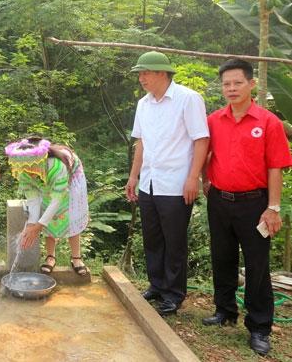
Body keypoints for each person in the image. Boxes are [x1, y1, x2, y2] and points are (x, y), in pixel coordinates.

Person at [201, 59, 292, 356]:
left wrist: (273, 208)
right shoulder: (214, 119)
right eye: (226, 84)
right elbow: (205, 153)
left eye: (237, 82)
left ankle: (260, 326)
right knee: (222, 257)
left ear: (251, 84)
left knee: (257, 265)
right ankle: (224, 310)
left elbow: (276, 167)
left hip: (255, 203)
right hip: (219, 201)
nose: (231, 88)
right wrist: (204, 180)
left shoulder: (268, 122)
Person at [124, 51, 209, 316]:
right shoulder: (143, 104)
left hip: (176, 183)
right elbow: (141, 143)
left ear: (162, 73)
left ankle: (174, 294)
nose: (141, 78)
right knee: (152, 238)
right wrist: (133, 176)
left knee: (174, 241)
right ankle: (157, 285)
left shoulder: (188, 99)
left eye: (145, 72)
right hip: (149, 181)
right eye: (140, 73)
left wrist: (192, 177)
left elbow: (201, 140)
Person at [6, 137, 90, 275]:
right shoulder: (24, 171)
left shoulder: (57, 166)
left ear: (40, 160)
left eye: (30, 165)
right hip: (47, 182)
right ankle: (50, 256)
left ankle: (76, 257)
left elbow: (56, 201)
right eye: (24, 167)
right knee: (45, 210)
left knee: (71, 215)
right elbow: (33, 200)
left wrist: (39, 226)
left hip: (72, 177)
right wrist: (32, 224)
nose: (27, 170)